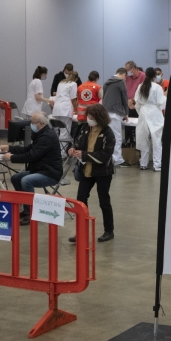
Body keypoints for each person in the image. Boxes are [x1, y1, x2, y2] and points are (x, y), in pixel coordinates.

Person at [0, 112, 62, 226]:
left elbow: (32, 155)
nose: (30, 125)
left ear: (41, 123)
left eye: (32, 122)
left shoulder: (47, 137)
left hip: (50, 173)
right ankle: (26, 209)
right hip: (41, 169)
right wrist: (9, 148)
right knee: (16, 178)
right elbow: (29, 149)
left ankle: (32, 213)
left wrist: (11, 157)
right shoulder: (42, 134)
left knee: (26, 180)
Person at [68, 104, 115, 243]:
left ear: (99, 118)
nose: (89, 119)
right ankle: (80, 231)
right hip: (85, 170)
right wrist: (72, 149)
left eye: (92, 117)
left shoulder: (108, 133)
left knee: (104, 201)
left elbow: (105, 155)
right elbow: (76, 143)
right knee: (80, 200)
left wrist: (84, 155)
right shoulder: (83, 129)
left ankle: (109, 230)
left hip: (103, 172)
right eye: (88, 116)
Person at [135, 67, 166, 171]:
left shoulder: (140, 86)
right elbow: (161, 102)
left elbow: (137, 102)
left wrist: (141, 113)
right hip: (155, 113)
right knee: (156, 140)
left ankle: (143, 164)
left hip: (143, 113)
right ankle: (157, 165)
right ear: (154, 76)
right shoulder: (157, 87)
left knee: (143, 139)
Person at [102, 67, 130, 167]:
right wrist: (126, 113)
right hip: (115, 113)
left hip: (105, 112)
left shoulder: (106, 82)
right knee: (117, 137)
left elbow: (104, 96)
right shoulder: (120, 82)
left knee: (108, 136)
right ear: (124, 75)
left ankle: (109, 157)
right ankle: (117, 160)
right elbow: (124, 98)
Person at [50, 71, 78, 151]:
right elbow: (73, 99)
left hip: (57, 109)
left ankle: (55, 151)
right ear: (76, 79)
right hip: (65, 109)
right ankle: (62, 154)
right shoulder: (73, 84)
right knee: (65, 133)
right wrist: (76, 110)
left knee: (57, 131)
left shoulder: (61, 83)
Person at [124, 61, 146, 145]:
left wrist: (133, 100)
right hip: (128, 104)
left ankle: (138, 143)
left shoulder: (142, 76)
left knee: (137, 126)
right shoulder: (127, 77)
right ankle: (128, 142)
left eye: (128, 70)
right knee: (127, 125)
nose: (127, 72)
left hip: (137, 104)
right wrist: (127, 101)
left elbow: (143, 91)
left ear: (134, 68)